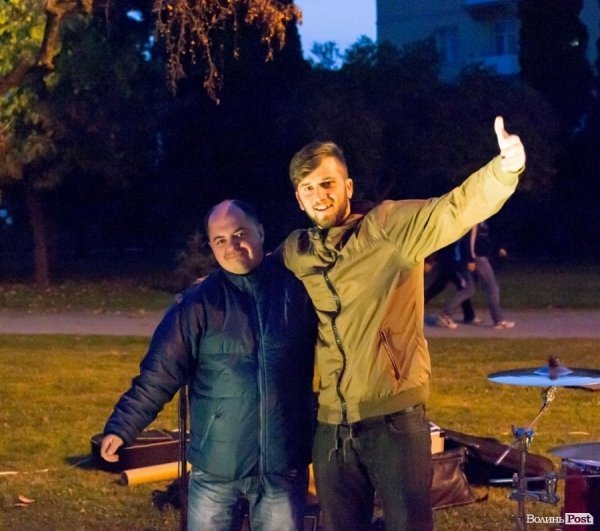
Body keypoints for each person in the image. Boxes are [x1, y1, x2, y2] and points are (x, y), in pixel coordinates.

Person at [276, 116, 525, 530]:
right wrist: (202, 293)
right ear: (299, 199)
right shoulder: (297, 251)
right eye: (309, 188)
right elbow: (251, 277)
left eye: (328, 183)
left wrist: (504, 170)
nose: (319, 195)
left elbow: (452, 209)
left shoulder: (389, 229)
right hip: (332, 426)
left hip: (393, 421)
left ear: (348, 187)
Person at [100, 199, 317, 531]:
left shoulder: (297, 294)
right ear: (212, 247)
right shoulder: (196, 303)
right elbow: (160, 373)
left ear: (260, 232)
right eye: (220, 240)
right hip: (215, 470)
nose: (232, 246)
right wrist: (122, 426)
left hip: (282, 467)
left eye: (240, 234)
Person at [425, 235, 479, 328]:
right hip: (453, 263)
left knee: (439, 286)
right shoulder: (455, 232)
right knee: (465, 288)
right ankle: (447, 314)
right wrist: (429, 261)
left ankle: (469, 315)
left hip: (451, 262)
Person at [470, 220, 515, 329]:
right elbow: (470, 240)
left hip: (484, 256)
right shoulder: (474, 221)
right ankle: (498, 320)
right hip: (479, 257)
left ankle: (449, 313)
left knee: (468, 288)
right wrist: (471, 257)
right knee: (492, 288)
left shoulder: (484, 221)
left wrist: (498, 248)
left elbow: (490, 238)